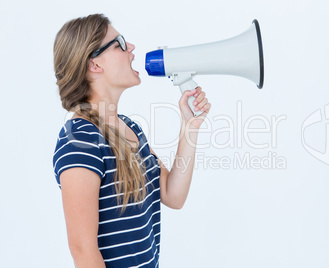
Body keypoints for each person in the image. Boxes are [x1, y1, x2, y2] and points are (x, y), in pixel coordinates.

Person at [52, 14, 211, 268]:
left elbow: (173, 194)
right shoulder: (80, 139)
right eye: (120, 44)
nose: (132, 48)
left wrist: (190, 126)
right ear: (94, 64)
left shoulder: (131, 128)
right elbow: (82, 250)